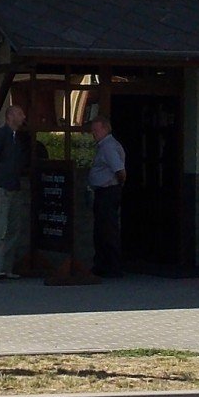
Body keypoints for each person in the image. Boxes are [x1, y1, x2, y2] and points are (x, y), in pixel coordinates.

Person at [0, 98, 33, 280]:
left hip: (14, 188)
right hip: (1, 188)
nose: (23, 116)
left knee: (14, 229)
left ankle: (6, 268)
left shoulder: (17, 139)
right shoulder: (0, 135)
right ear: (10, 116)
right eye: (20, 113)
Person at [87, 113, 127, 277]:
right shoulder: (104, 146)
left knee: (108, 229)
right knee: (101, 230)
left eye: (96, 130)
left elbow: (120, 171)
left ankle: (112, 266)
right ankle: (103, 265)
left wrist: (117, 185)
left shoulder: (108, 146)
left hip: (108, 191)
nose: (93, 133)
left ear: (105, 128)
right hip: (104, 191)